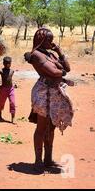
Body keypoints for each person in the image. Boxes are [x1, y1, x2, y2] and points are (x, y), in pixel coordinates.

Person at [24, 28, 74, 172]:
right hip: (43, 94)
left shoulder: (50, 54)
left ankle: (48, 158)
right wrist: (61, 72)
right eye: (48, 40)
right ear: (40, 40)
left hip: (54, 93)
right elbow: (53, 72)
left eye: (52, 40)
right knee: (41, 127)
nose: (51, 42)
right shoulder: (36, 55)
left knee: (51, 127)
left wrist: (59, 51)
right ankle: (38, 161)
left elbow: (67, 69)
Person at [0, 56, 16, 123]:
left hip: (11, 89)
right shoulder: (1, 71)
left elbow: (10, 80)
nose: (8, 65)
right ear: (3, 63)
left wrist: (14, 85)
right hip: (3, 89)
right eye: (7, 63)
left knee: (12, 102)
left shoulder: (12, 71)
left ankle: (13, 118)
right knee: (1, 103)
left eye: (9, 63)